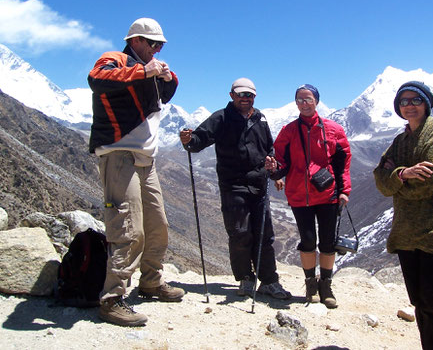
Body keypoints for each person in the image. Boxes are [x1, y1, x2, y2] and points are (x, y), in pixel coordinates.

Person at [88, 18, 184, 327]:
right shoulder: (115, 59)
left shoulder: (149, 66)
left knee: (158, 226)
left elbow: (164, 96)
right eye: (153, 44)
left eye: (160, 46)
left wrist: (166, 77)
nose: (157, 49)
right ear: (137, 41)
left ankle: (151, 281)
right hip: (119, 154)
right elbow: (97, 78)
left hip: (146, 159)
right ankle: (112, 299)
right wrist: (144, 70)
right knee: (128, 228)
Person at [179, 78, 291, 300]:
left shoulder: (261, 118)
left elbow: (269, 147)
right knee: (240, 233)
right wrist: (188, 140)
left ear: (254, 97)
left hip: (259, 184)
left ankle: (269, 281)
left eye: (248, 95)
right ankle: (245, 278)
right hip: (233, 185)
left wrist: (273, 168)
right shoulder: (220, 118)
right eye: (240, 94)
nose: (244, 98)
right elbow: (199, 140)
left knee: (264, 235)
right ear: (231, 95)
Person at [373, 81, 433, 349]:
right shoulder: (400, 141)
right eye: (404, 101)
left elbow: (428, 183)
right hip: (407, 236)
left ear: (426, 104)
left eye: (415, 100)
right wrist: (404, 174)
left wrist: (395, 178)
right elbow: (380, 180)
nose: (409, 106)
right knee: (420, 303)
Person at [270, 84, 351, 308]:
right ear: (296, 103)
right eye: (300, 100)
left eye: (308, 99)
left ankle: (326, 285)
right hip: (299, 194)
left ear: (317, 101)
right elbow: (280, 161)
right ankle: (310, 284)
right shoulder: (288, 131)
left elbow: (342, 162)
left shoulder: (333, 129)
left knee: (327, 242)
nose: (304, 103)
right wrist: (274, 170)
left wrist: (344, 190)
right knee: (307, 241)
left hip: (327, 194)